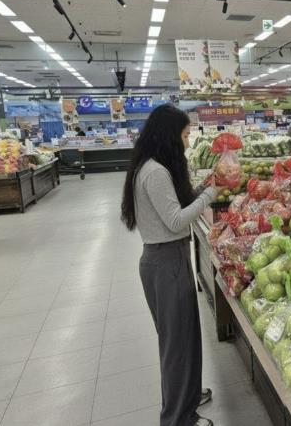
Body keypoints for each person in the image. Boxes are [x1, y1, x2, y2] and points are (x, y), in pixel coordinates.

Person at [120, 104, 216, 426]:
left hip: (166, 259)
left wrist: (203, 187)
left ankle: (188, 395)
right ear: (169, 136)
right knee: (176, 346)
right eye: (185, 136)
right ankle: (177, 418)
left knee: (183, 338)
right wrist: (212, 194)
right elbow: (175, 220)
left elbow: (176, 205)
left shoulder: (149, 166)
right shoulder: (156, 173)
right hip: (166, 261)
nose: (188, 142)